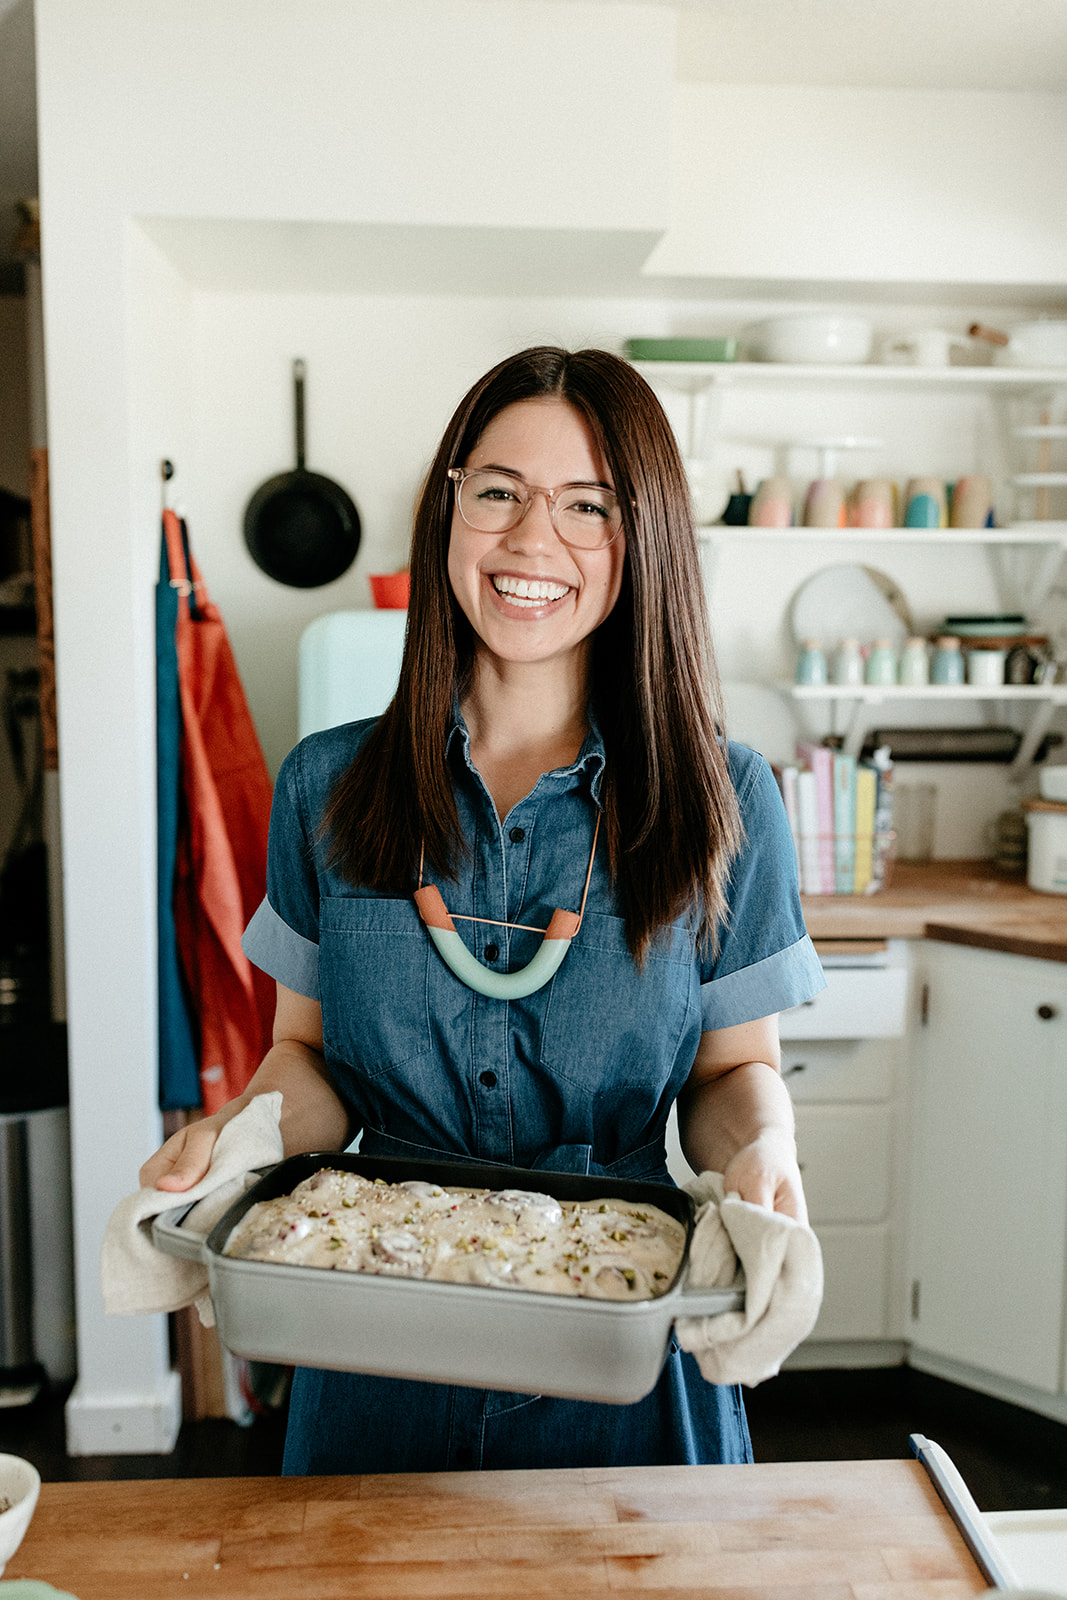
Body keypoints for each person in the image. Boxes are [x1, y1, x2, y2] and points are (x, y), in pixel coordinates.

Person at [141, 345, 825, 1474]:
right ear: (446, 510)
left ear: (641, 536)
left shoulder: (723, 798)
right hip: (371, 1337)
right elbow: (304, 1063)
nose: (531, 540)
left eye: (586, 506)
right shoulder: (323, 789)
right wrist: (238, 1134)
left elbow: (725, 1075)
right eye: (497, 491)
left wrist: (765, 1147)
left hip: (623, 1338)